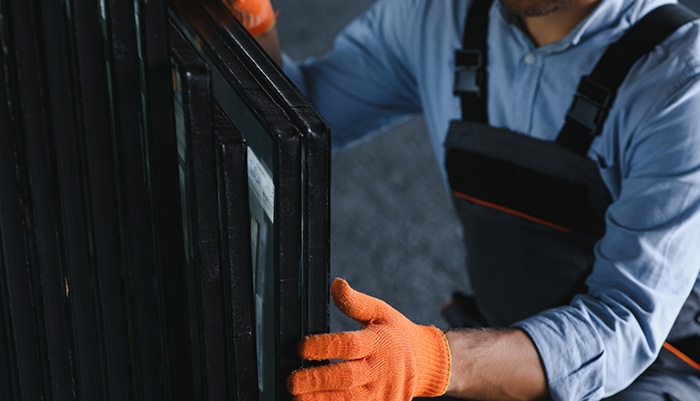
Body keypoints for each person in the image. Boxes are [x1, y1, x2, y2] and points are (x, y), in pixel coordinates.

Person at [225, 0, 700, 399]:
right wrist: (252, 23)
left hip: (653, 366)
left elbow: (623, 320)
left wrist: (436, 360)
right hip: (497, 344)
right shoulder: (437, 16)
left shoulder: (681, 83)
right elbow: (300, 114)